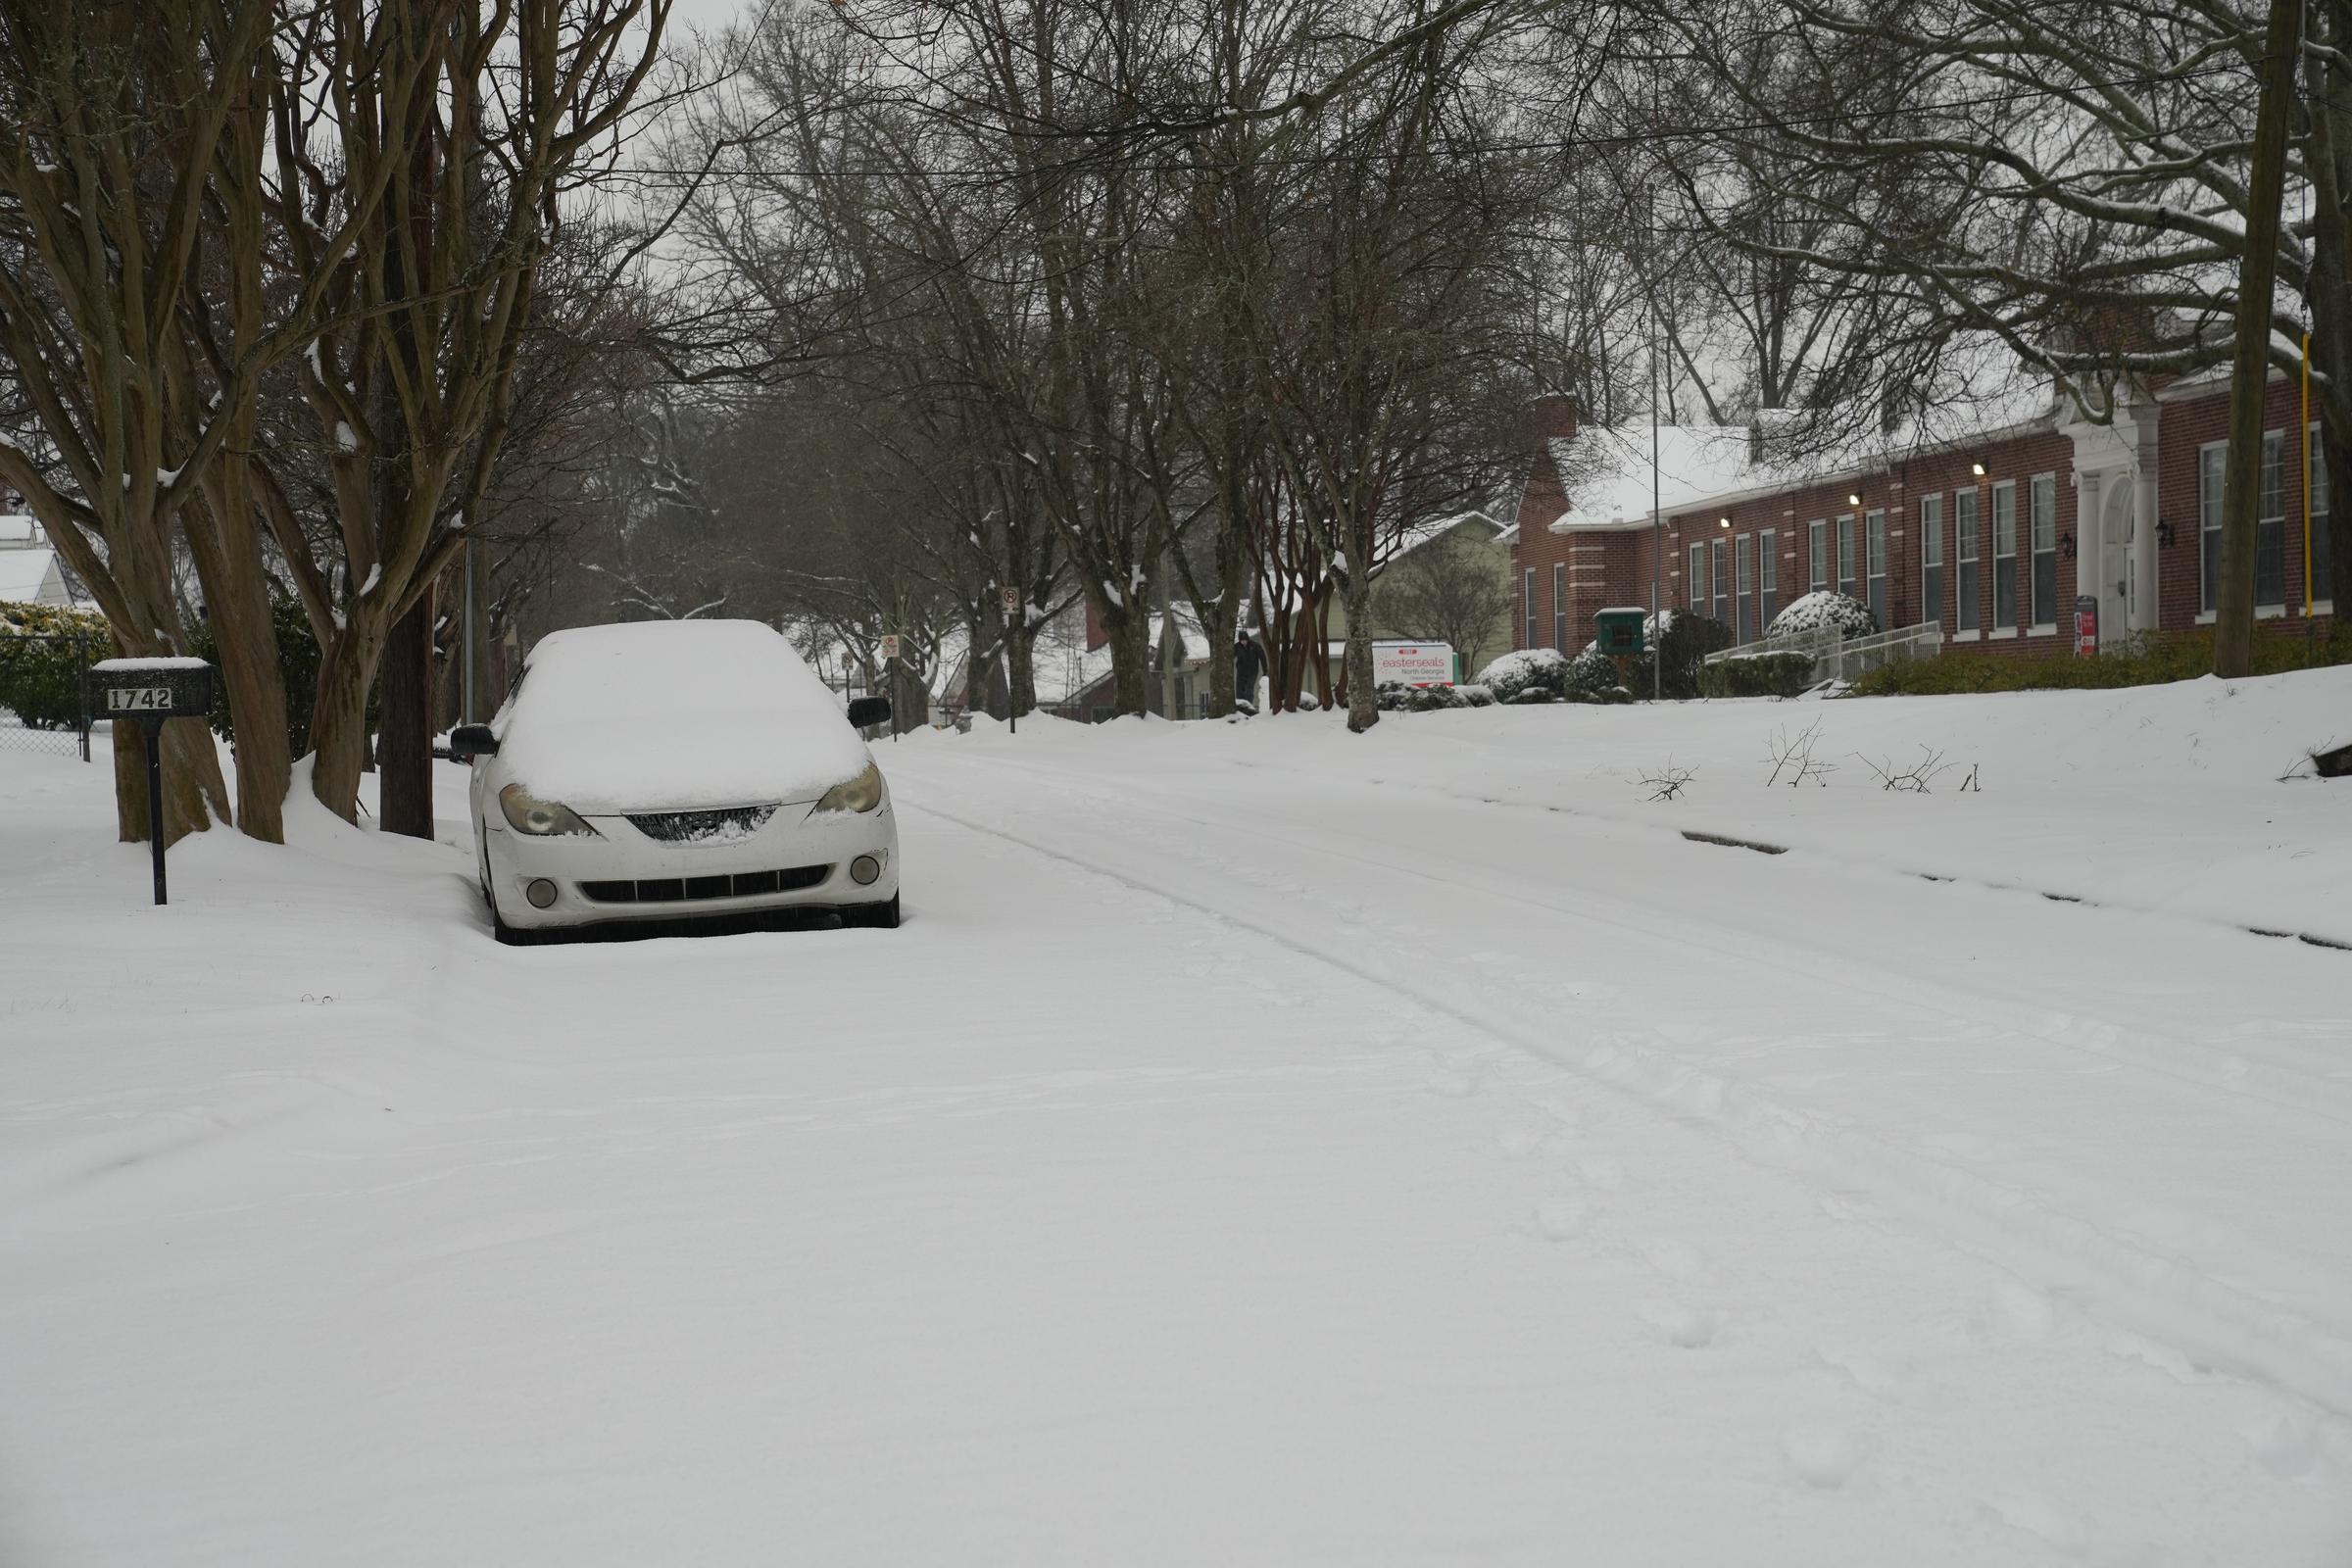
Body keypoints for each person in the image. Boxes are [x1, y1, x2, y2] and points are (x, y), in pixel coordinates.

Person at [1232, 631, 1264, 714]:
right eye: (1242, 641)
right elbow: (1230, 657)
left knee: (1249, 689)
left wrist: (1265, 670)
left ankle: (1249, 706)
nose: (1243, 642)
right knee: (1239, 690)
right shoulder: (1237, 647)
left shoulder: (1255, 646)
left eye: (1245, 640)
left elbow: (1262, 657)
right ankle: (1240, 707)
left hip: (1252, 671)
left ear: (1247, 639)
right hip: (1241, 671)